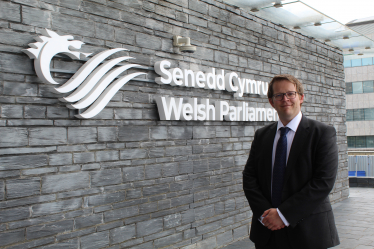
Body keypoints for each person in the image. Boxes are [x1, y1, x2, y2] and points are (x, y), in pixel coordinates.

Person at [243, 74, 340, 249]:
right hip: (267, 231)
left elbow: (323, 182)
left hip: (309, 232)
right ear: (272, 102)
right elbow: (249, 177)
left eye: (290, 94)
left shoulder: (322, 133)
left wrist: (283, 214)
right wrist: (266, 215)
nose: (285, 99)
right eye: (279, 95)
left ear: (301, 97)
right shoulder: (262, 135)